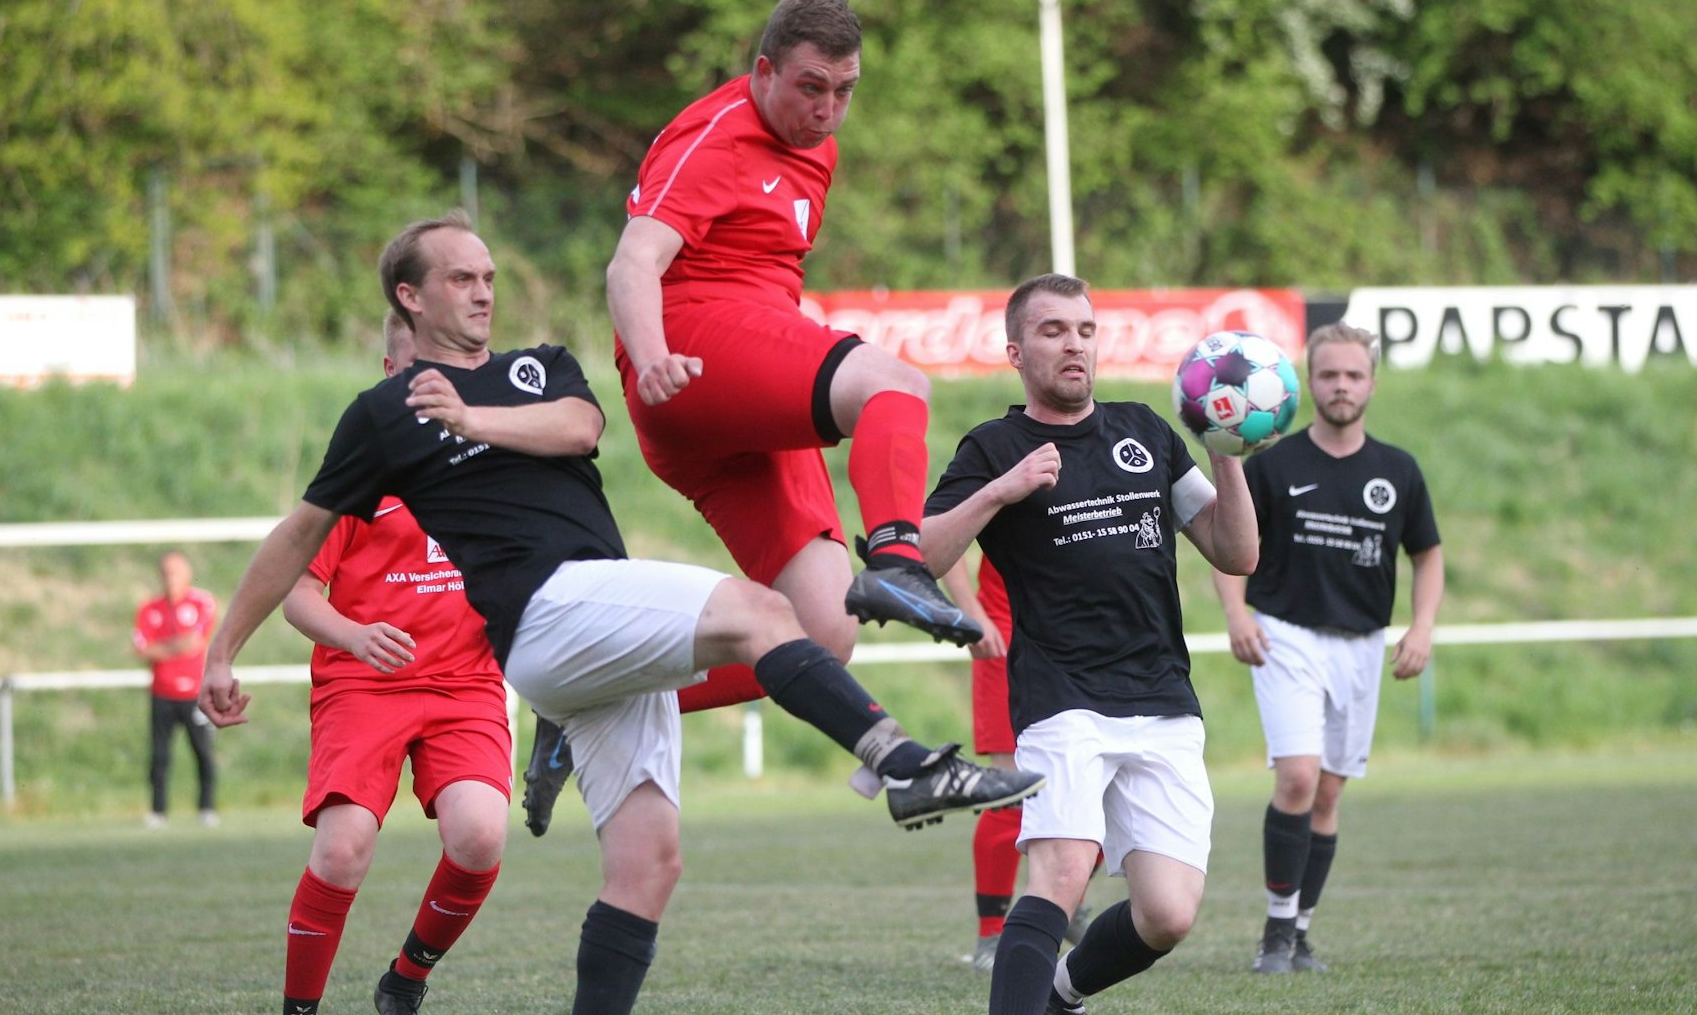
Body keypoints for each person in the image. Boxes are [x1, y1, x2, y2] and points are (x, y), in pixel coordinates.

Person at [199, 210, 1042, 1015]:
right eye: (460, 278)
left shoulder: (537, 367)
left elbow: (578, 424)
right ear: (410, 298)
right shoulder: (382, 414)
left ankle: (592, 762)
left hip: (586, 626)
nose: (484, 291)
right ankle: (901, 764)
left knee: (647, 864)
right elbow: (297, 535)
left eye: (488, 275)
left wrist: (470, 416)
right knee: (760, 609)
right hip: (544, 609)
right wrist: (221, 650)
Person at [604, 0, 982, 728]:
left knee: (822, 629)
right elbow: (632, 262)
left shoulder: (818, 148)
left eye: (844, 91)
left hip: (742, 390)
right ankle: (899, 562)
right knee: (895, 384)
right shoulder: (715, 136)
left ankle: (601, 701)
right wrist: (651, 358)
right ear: (764, 70)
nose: (827, 109)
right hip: (689, 349)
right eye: (811, 87)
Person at [920, 274, 1260, 1015]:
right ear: (1015, 350)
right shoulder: (994, 445)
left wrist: (1228, 451)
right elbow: (925, 551)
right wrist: (1000, 491)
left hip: (1162, 697)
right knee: (1063, 867)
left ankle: (1059, 995)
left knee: (1168, 913)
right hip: (1062, 694)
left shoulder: (1145, 431)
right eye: (1052, 330)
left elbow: (1236, 553)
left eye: (1084, 328)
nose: (1074, 343)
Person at [273, 312, 509, 1015]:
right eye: (418, 370)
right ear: (389, 376)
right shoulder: (357, 476)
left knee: (479, 834)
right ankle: (300, 1008)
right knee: (343, 849)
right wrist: (352, 634)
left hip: (465, 682)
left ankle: (405, 978)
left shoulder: (501, 469)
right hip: (364, 683)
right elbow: (295, 593)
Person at [1214, 320, 1444, 975]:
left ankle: (1300, 931)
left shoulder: (1398, 470)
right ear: (1306, 382)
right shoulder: (1274, 463)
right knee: (1297, 776)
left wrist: (1421, 626)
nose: (1340, 385)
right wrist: (1235, 611)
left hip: (1362, 644)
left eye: (1353, 374)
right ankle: (1275, 937)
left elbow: (1427, 553)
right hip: (1285, 633)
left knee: (1329, 793)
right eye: (1327, 374)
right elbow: (1230, 544)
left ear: (1371, 381)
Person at [941, 556, 1096, 973]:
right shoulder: (999, 485)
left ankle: (1070, 903)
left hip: (1085, 643)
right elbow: (939, 531)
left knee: (1099, 790)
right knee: (1012, 793)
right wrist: (970, 614)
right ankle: (991, 935)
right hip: (1007, 639)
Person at [131, 550, 218, 828]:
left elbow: (195, 642)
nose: (171, 578)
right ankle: (158, 811)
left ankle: (207, 807)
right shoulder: (149, 609)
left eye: (176, 572)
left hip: (195, 694)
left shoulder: (201, 602)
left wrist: (162, 648)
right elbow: (142, 650)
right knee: (159, 755)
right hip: (162, 693)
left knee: (203, 752)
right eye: (166, 573)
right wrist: (176, 646)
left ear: (187, 574)